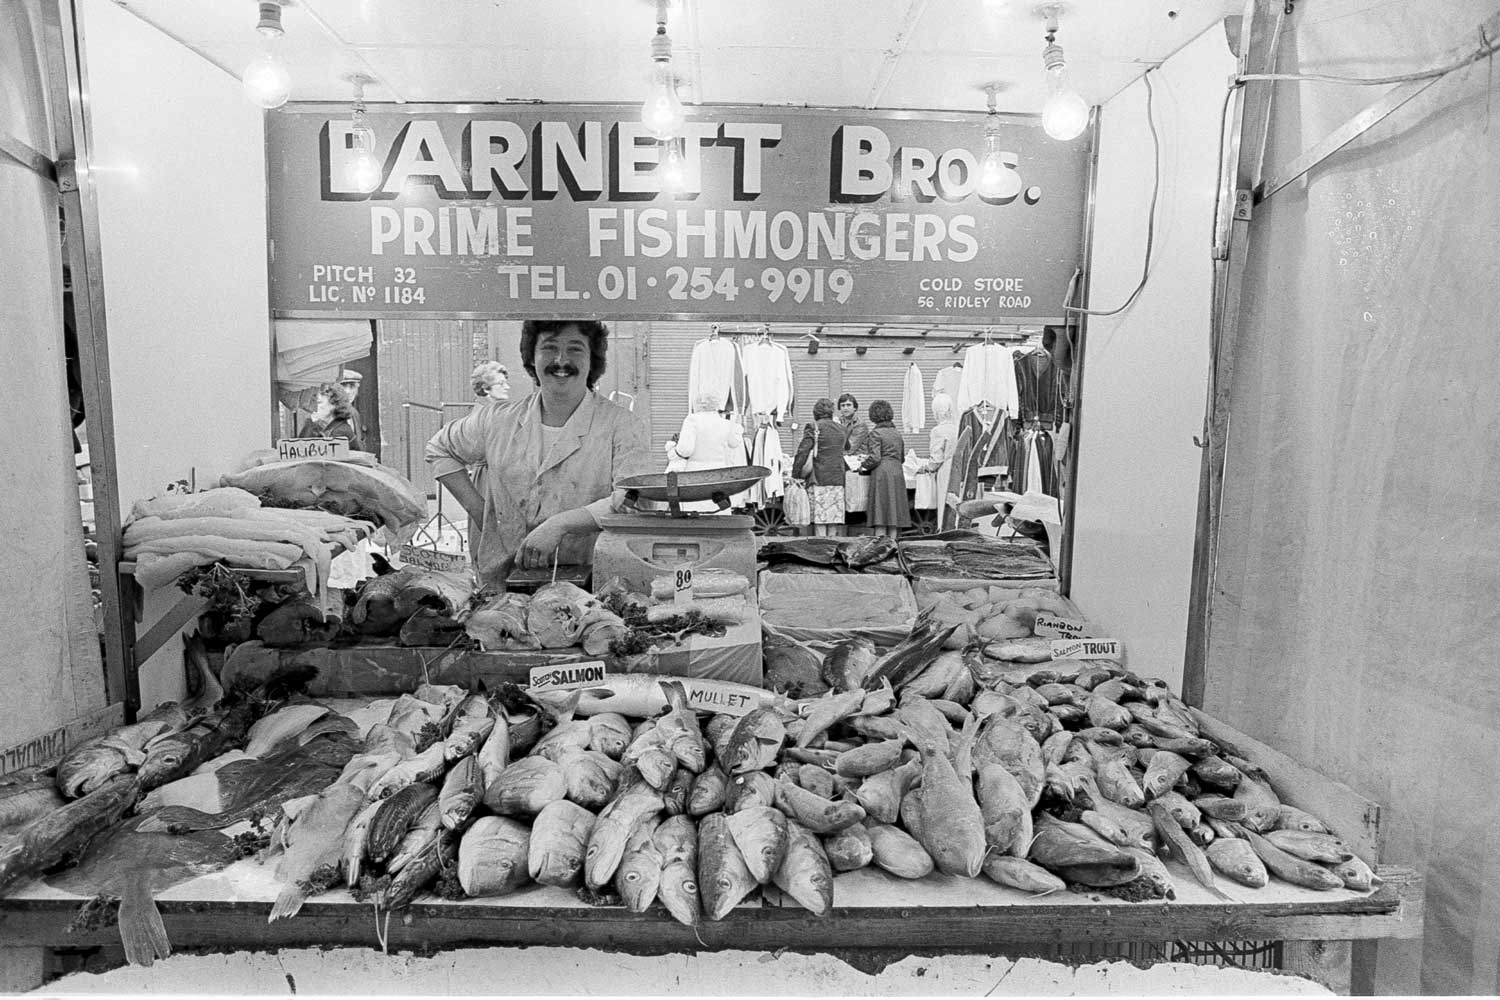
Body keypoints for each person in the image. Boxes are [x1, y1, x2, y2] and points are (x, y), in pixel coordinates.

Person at [425, 320, 650, 588]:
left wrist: (561, 525)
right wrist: (478, 510)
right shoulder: (497, 419)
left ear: (594, 360)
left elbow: (632, 499)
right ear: (532, 357)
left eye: (575, 349)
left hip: (592, 584)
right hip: (502, 581)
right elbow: (439, 449)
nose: (561, 360)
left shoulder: (622, 425)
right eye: (549, 348)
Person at [664, 392, 747, 512]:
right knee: (716, 509)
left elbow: (685, 450)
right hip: (719, 472)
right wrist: (738, 428)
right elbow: (734, 443)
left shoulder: (692, 420)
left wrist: (672, 450)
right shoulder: (725, 423)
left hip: (695, 473)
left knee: (695, 510)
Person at [790, 397, 848, 537]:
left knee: (820, 519)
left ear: (815, 412)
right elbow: (847, 447)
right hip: (837, 478)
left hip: (819, 477)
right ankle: (833, 546)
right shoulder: (841, 428)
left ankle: (822, 549)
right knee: (833, 518)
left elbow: (803, 452)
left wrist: (796, 473)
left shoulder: (813, 427)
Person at [863, 399, 911, 539]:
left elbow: (875, 457)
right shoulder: (897, 433)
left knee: (881, 514)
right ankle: (893, 545)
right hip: (897, 472)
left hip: (881, 474)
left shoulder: (875, 434)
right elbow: (902, 457)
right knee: (893, 514)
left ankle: (879, 545)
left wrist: (863, 464)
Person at [915, 391, 959, 528]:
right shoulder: (958, 428)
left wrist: (925, 467)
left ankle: (944, 528)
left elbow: (936, 459)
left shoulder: (938, 431)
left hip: (945, 470)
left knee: (944, 502)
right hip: (959, 469)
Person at [298, 382, 363, 451]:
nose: (314, 409)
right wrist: (311, 423)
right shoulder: (322, 426)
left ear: (335, 404)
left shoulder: (340, 431)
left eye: (319, 403)